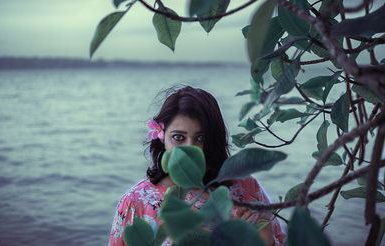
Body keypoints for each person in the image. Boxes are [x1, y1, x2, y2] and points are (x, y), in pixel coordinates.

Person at [108, 86, 286, 246]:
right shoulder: (136, 201)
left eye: (201, 138)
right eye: (178, 137)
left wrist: (265, 241)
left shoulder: (246, 188)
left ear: (213, 140)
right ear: (162, 138)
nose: (190, 149)